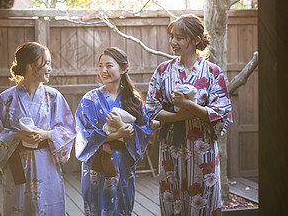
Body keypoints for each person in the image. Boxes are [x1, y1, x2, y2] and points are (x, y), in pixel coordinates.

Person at [146, 14, 232, 215]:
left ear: (196, 40)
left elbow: (221, 113)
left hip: (202, 148)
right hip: (171, 147)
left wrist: (187, 105)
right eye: (172, 37)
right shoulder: (163, 71)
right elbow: (151, 110)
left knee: (203, 199)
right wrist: (180, 116)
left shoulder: (212, 72)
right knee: (172, 197)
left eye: (180, 38)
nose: (173, 42)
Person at [0, 42, 76, 215]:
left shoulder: (53, 96)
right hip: (18, 164)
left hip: (47, 164)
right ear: (31, 65)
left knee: (48, 206)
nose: (50, 68)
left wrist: (47, 134)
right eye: (47, 63)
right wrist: (17, 135)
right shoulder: (6, 99)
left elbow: (68, 130)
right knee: (19, 208)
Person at [75, 47, 152, 216]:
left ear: (123, 69)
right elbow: (84, 135)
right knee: (97, 207)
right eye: (100, 65)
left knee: (123, 208)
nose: (103, 70)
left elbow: (145, 131)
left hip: (123, 164)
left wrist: (131, 131)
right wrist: (120, 134)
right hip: (97, 164)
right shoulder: (90, 99)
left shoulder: (134, 101)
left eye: (109, 65)